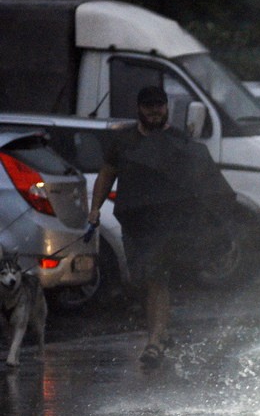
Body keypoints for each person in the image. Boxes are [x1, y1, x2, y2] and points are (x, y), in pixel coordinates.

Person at [87, 85, 235, 368]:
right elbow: (106, 175)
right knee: (143, 281)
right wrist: (95, 209)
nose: (155, 111)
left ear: (166, 107)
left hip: (168, 227)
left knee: (157, 278)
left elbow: (199, 182)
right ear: (139, 108)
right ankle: (161, 332)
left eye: (160, 106)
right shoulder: (123, 142)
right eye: (149, 106)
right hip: (135, 225)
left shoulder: (180, 143)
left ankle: (154, 343)